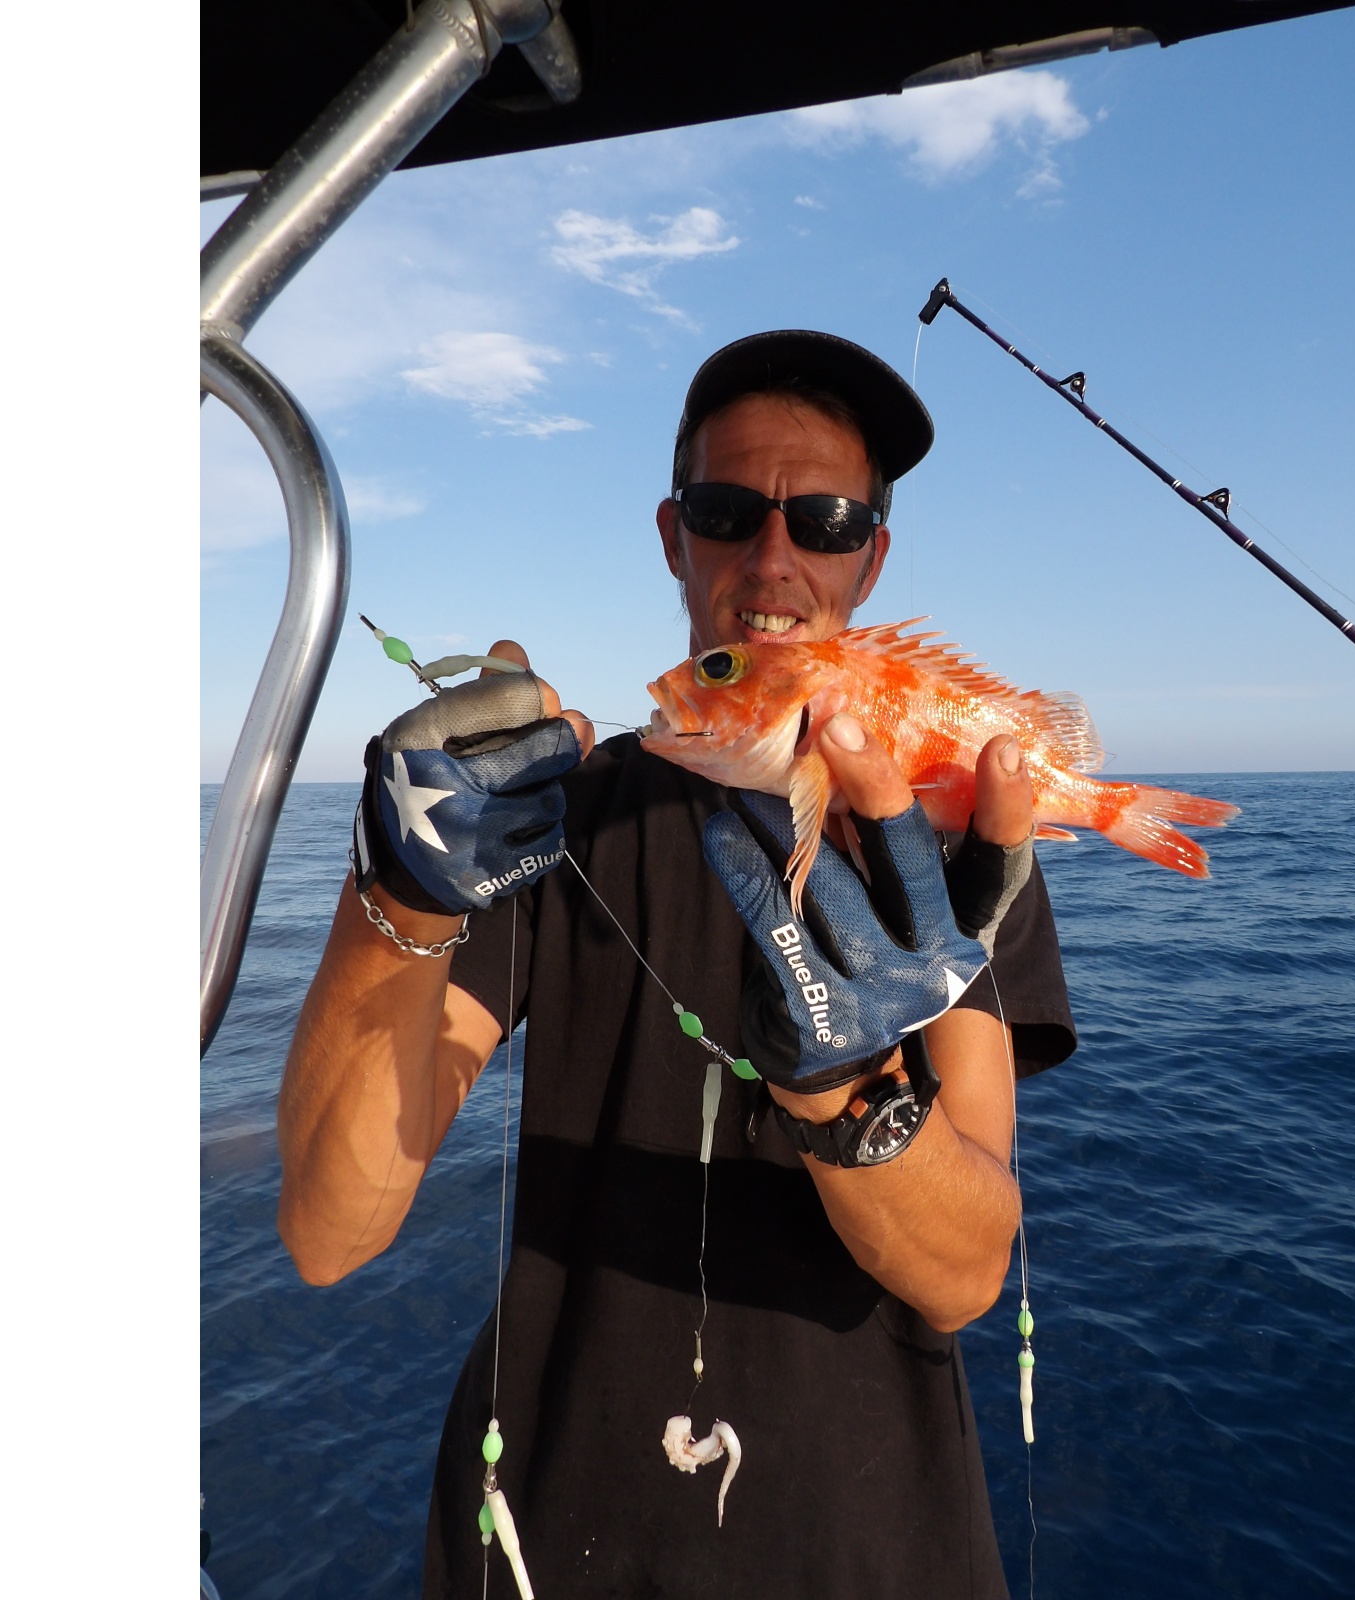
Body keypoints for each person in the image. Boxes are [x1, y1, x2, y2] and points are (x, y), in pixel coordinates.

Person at [278, 330, 1077, 1598]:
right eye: (726, 511)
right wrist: (400, 889)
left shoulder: (960, 857)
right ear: (673, 536)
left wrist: (839, 1085)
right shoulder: (559, 827)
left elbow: (965, 1269)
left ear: (869, 557)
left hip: (869, 1553)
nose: (772, 560)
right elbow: (329, 1229)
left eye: (822, 520)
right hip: (550, 1546)